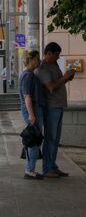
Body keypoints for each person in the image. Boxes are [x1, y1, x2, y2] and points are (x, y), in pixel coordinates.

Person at [36, 42, 75, 178]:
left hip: (58, 105)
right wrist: (64, 78)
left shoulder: (54, 65)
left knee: (56, 138)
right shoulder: (43, 68)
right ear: (48, 53)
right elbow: (51, 87)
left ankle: (52, 165)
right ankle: (47, 168)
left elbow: (58, 83)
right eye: (56, 55)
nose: (58, 58)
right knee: (50, 138)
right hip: (51, 107)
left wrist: (66, 78)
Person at [18, 50, 46, 180]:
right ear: (31, 60)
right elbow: (27, 96)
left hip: (33, 109)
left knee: (34, 139)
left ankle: (30, 169)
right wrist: (31, 114)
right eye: (37, 59)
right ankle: (29, 170)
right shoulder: (28, 75)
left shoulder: (29, 74)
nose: (39, 61)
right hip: (32, 109)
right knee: (33, 140)